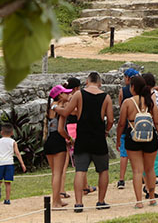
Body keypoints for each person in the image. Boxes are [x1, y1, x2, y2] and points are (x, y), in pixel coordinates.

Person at [57, 71, 113, 212]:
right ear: (100, 83)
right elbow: (111, 120)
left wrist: (54, 107)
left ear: (87, 82)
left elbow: (66, 112)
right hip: (99, 138)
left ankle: (79, 203)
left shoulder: (79, 94)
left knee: (80, 171)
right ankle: (101, 201)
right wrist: (106, 131)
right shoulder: (106, 97)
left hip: (82, 138)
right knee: (103, 170)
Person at [116, 75, 158, 208]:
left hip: (133, 137)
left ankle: (139, 201)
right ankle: (152, 197)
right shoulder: (150, 101)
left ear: (132, 87)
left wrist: (119, 139)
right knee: (150, 169)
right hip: (150, 137)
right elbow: (157, 122)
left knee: (137, 171)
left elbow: (121, 123)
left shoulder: (127, 102)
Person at [45, 84, 72, 209]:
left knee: (54, 173)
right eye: (65, 93)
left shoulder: (50, 107)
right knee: (58, 173)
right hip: (58, 140)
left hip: (49, 140)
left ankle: (57, 199)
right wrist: (69, 139)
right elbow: (61, 129)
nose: (68, 94)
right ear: (60, 95)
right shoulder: (60, 109)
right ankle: (55, 202)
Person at [0, 123, 26, 205]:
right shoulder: (13, 142)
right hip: (9, 163)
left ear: (1, 132)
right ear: (12, 133)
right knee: (8, 182)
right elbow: (17, 153)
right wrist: (22, 164)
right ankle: (7, 199)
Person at [116, 67, 139, 190]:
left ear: (128, 78)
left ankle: (121, 179)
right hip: (139, 126)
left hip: (126, 125)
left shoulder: (123, 91)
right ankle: (141, 176)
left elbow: (121, 109)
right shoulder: (141, 91)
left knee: (124, 154)